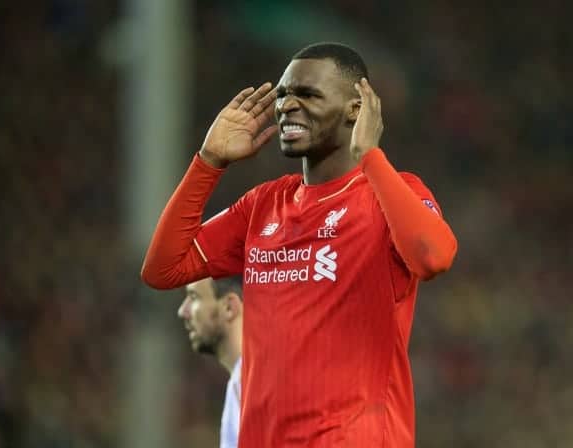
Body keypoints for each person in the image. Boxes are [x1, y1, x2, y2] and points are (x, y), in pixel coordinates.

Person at [142, 42, 458, 447]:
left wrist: (371, 156)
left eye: (307, 95)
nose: (287, 105)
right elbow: (162, 269)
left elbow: (433, 257)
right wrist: (208, 162)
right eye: (283, 95)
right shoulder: (262, 206)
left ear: (355, 110)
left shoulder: (392, 192)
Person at [177, 276, 243, 448]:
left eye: (194, 297)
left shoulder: (260, 386)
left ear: (229, 307)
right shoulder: (240, 383)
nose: (183, 311)